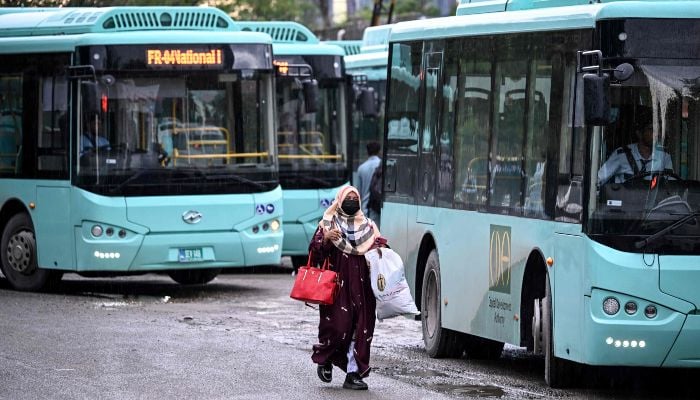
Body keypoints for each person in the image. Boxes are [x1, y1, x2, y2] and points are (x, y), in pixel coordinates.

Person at [309, 185, 381, 391]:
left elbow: (380, 247)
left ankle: (353, 374)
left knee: (360, 329)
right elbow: (314, 252)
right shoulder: (328, 223)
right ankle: (326, 359)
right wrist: (326, 240)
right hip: (337, 287)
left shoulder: (368, 226)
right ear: (339, 200)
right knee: (339, 327)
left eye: (354, 197)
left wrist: (381, 250)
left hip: (363, 287)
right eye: (347, 197)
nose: (351, 201)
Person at [598, 108, 672, 185]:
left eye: (658, 130)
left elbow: (671, 185)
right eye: (651, 129)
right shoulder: (622, 154)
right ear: (639, 133)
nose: (657, 134)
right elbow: (598, 180)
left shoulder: (664, 156)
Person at [356, 141, 381, 220]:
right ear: (379, 151)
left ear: (367, 152)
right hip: (379, 207)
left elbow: (358, 193)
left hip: (365, 208)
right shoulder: (382, 165)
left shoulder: (361, 168)